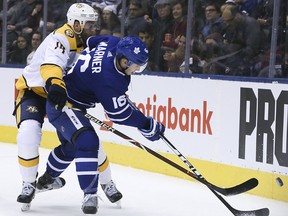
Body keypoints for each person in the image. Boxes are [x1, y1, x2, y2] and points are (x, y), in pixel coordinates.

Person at [37, 35, 165, 214]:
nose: (138, 69)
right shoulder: (109, 81)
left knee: (72, 147)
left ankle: (47, 179)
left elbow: (90, 41)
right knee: (87, 141)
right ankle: (90, 195)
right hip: (63, 104)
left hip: (68, 98)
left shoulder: (113, 42)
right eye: (137, 65)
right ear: (125, 61)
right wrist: (145, 124)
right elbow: (119, 114)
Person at [14, 3, 122, 211]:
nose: (94, 28)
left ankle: (106, 182)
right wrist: (55, 84)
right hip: (35, 91)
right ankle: (28, 183)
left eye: (95, 24)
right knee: (28, 133)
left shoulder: (87, 42)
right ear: (76, 24)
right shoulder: (61, 38)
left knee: (85, 139)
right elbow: (52, 63)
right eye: (90, 24)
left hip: (63, 94)